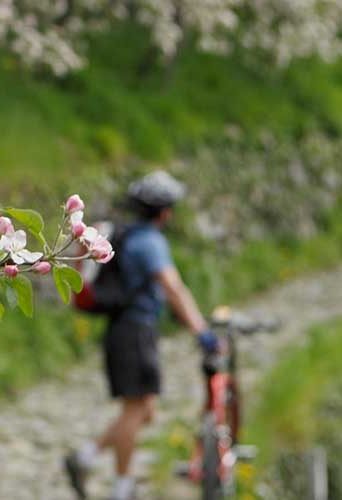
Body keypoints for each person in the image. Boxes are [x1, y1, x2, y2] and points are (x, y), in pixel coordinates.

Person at [63, 171, 219, 500]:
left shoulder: (129, 236)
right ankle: (119, 487)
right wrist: (200, 329)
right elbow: (173, 288)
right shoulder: (150, 242)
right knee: (136, 411)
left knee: (144, 410)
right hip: (135, 333)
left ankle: (86, 459)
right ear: (164, 213)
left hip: (124, 330)